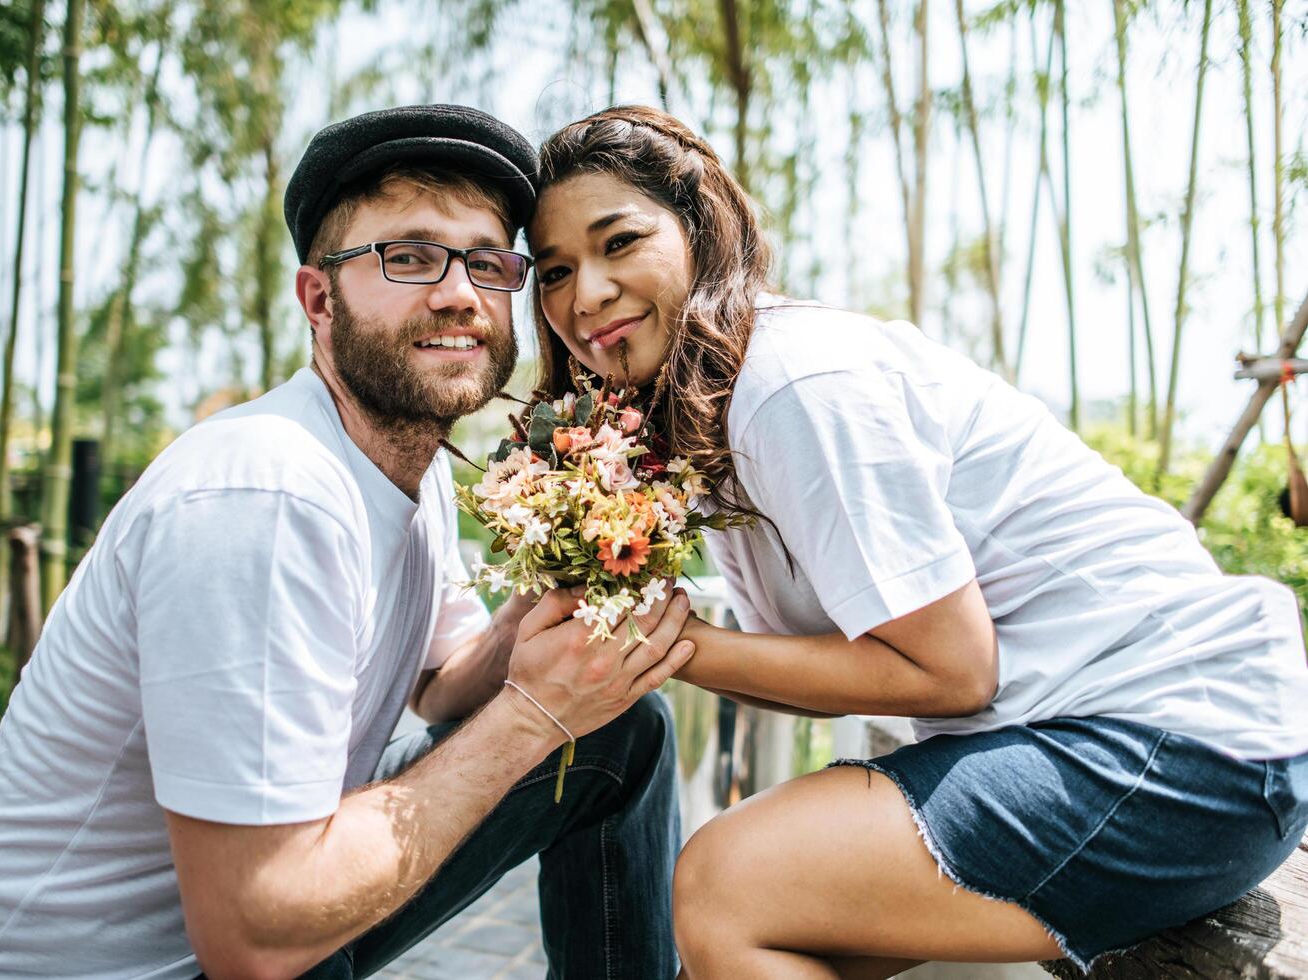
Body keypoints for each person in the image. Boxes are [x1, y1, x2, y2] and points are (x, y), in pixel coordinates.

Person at [0, 104, 691, 980]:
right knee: (299, 942)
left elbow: (439, 686)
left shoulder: (417, 466)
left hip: (245, 927)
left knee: (618, 733)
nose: (460, 293)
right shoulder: (268, 492)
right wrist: (534, 714)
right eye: (410, 256)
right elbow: (254, 937)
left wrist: (544, 615)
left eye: (488, 261)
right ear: (319, 299)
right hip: (100, 965)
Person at [527, 104, 1308, 979]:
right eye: (554, 271)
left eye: (619, 242)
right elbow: (836, 667)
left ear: (702, 231)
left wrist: (679, 647)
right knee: (765, 939)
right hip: (1093, 740)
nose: (583, 294)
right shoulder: (708, 433)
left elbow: (950, 671)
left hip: (1181, 747)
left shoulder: (790, 383)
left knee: (722, 883)